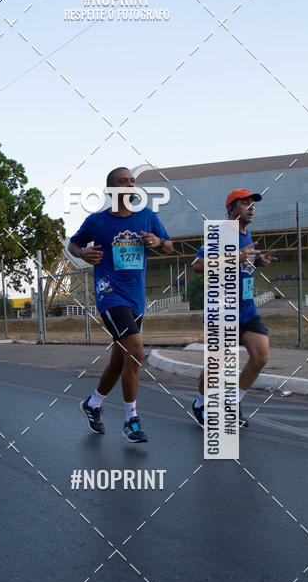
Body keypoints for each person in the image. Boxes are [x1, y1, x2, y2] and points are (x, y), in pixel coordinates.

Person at [68, 167, 173, 442]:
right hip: (109, 293)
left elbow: (169, 246)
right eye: (123, 182)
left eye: (132, 181)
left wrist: (157, 240)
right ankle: (131, 420)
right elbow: (73, 244)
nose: (130, 185)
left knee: (119, 360)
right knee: (136, 350)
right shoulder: (97, 221)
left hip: (135, 297)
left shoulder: (148, 216)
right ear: (111, 190)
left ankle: (92, 405)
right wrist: (83, 253)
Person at [191, 189, 277, 428]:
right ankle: (200, 403)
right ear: (231, 209)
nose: (251, 207)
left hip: (247, 309)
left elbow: (241, 266)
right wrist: (233, 258)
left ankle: (232, 402)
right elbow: (197, 266)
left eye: (253, 203)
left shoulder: (246, 235)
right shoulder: (220, 233)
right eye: (245, 203)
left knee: (260, 356)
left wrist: (257, 262)